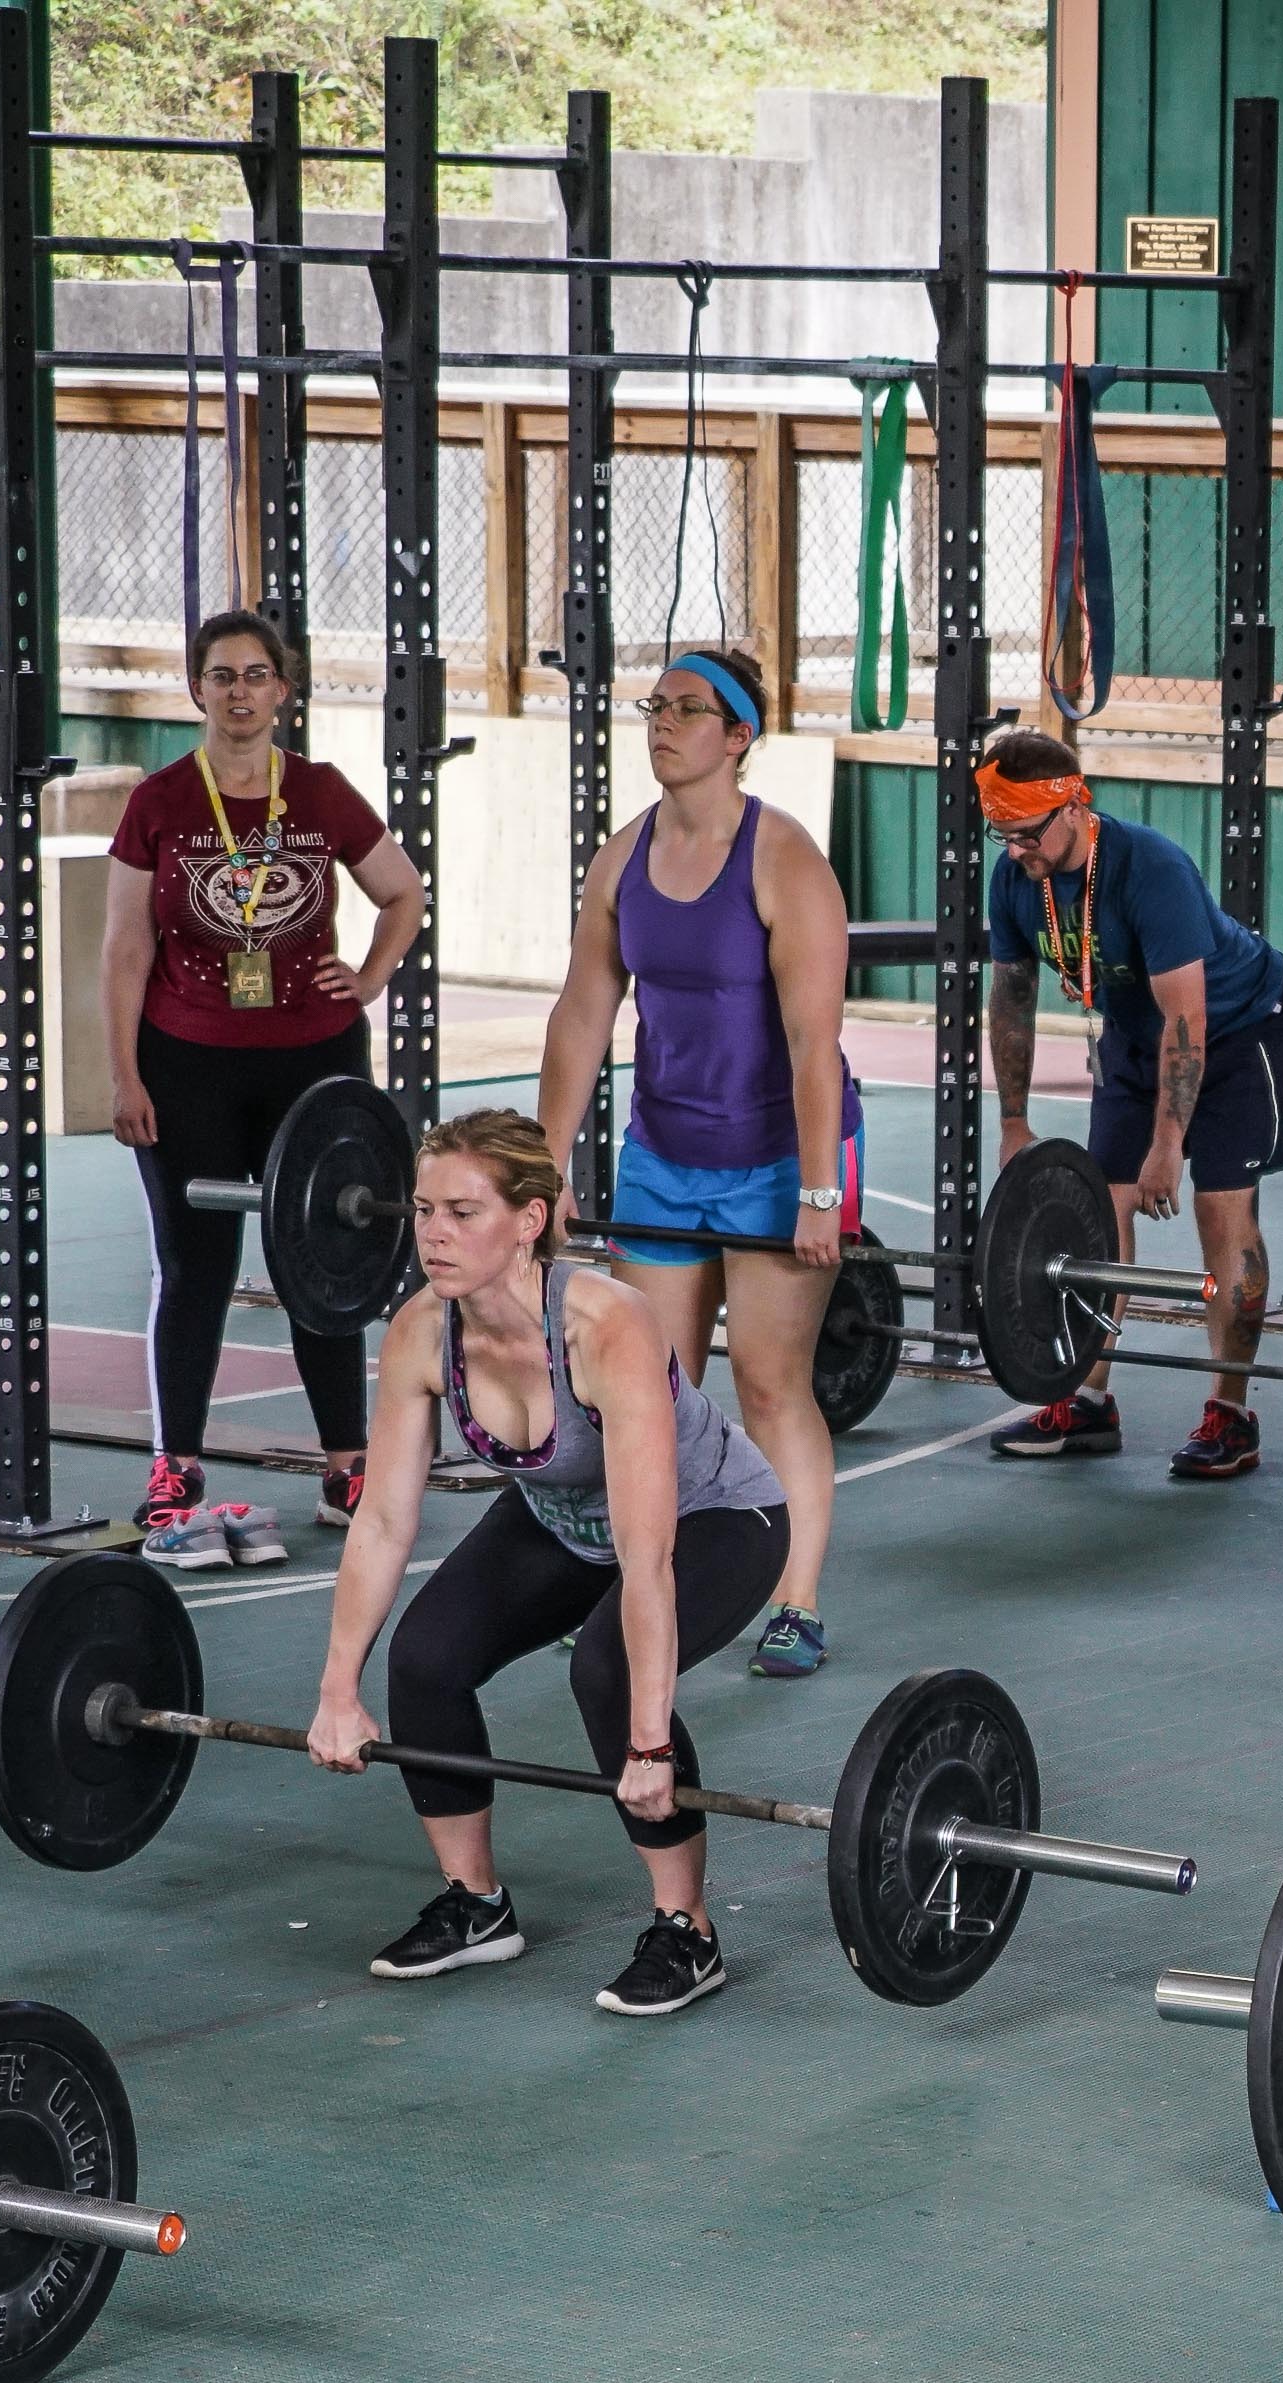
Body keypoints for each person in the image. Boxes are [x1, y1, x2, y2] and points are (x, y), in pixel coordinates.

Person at [306, 1112, 788, 2016]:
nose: (434, 1233)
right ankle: (476, 1904)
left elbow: (647, 1556)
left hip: (713, 1517)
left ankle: (687, 1929)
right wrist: (338, 1689)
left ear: (530, 1219)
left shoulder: (606, 1325)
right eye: (422, 1210)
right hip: (565, 1518)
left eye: (461, 1211)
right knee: (426, 1657)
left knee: (608, 1669)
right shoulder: (422, 1330)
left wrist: (649, 1742)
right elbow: (380, 1523)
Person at [535, 645, 859, 1675]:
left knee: (769, 1386)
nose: (662, 723)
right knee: (643, 1389)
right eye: (654, 705)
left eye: (687, 709)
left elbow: (815, 1041)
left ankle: (796, 1601)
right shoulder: (618, 859)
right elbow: (583, 1013)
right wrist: (544, 1167)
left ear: (737, 737)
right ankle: (642, 1591)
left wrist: (816, 1193)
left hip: (778, 1156)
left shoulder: (785, 862)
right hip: (664, 1155)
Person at [95, 606, 425, 1568]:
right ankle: (178, 1469)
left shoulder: (319, 794)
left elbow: (403, 892)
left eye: (256, 675)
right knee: (194, 1264)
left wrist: (366, 978)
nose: (239, 692)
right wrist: (124, 1074)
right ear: (197, 689)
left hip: (312, 1059)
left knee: (324, 1265)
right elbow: (124, 950)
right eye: (221, 676)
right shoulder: (158, 802)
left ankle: (346, 1463)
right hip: (185, 1061)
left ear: (284, 690)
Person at [976, 732, 1283, 1479]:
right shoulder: (1014, 878)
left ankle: (1231, 1414)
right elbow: (1011, 1000)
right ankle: (1088, 1400)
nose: (1017, 851)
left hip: (1239, 1025)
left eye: (1027, 834)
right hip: (1133, 1031)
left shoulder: (1149, 869)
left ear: (1073, 803)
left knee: (1221, 1210)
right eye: (1003, 835)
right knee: (1101, 1202)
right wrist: (1013, 1121)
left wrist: (1168, 1144)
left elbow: (1187, 1021)